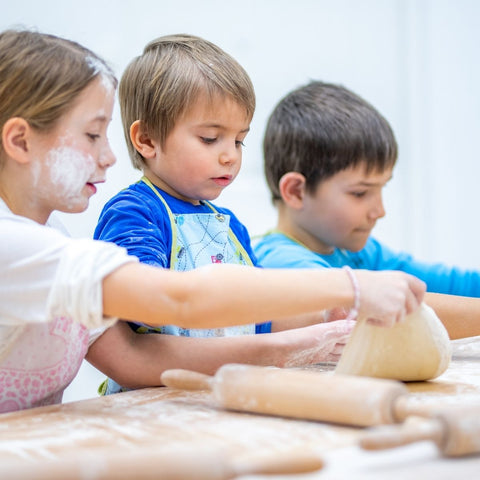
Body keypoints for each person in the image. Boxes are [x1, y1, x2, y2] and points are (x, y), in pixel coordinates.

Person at [0, 30, 425, 413]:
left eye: (239, 140)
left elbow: (127, 354)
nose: (109, 157)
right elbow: (177, 299)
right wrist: (349, 285)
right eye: (93, 135)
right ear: (19, 141)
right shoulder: (21, 244)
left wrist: (316, 323)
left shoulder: (52, 240)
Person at [254, 80, 480, 340]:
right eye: (360, 193)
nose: (380, 211)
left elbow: (454, 285)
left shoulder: (358, 252)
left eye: (382, 188)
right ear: (296, 191)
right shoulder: (279, 263)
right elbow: (380, 315)